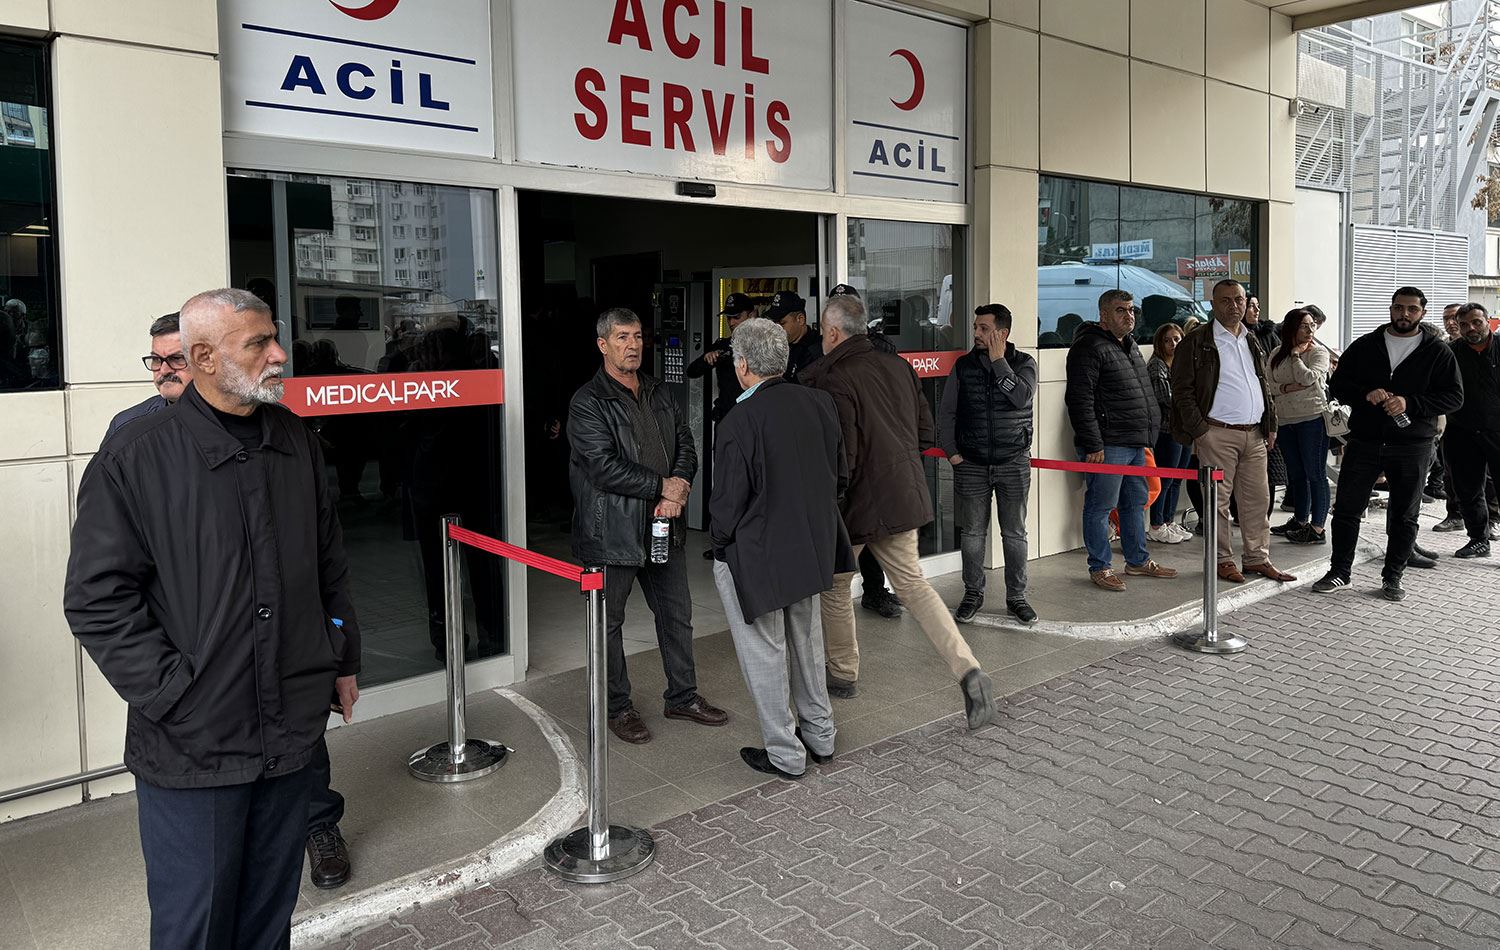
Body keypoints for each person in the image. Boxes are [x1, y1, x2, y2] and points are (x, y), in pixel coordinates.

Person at [64, 288, 362, 947]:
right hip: (193, 745)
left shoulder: (295, 439)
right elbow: (95, 597)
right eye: (259, 343)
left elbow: (327, 562)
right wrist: (175, 693)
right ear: (202, 358)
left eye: (274, 338)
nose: (279, 354)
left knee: (267, 919)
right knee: (195, 926)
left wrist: (340, 659)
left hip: (289, 729)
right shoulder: (136, 453)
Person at [804, 295, 996, 728]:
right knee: (913, 585)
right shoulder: (898, 366)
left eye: (822, 330)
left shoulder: (834, 377)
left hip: (855, 504)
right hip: (902, 493)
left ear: (832, 332)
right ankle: (968, 669)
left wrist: (827, 503)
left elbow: (844, 456)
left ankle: (843, 673)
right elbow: (925, 432)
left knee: (835, 586)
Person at [568, 308, 728, 744]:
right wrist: (663, 487)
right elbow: (602, 466)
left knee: (677, 615)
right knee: (608, 624)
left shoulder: (659, 391)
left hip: (662, 525)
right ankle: (617, 708)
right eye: (622, 337)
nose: (633, 345)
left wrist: (677, 489)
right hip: (612, 533)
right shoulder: (588, 401)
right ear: (603, 345)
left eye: (638, 336)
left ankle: (683, 697)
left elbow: (687, 443)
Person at [709, 318, 853, 779]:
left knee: (764, 650)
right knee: (807, 643)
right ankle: (821, 736)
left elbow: (727, 503)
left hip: (757, 553)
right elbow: (840, 475)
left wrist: (718, 545)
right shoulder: (820, 403)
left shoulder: (739, 420)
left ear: (742, 365)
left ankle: (785, 754)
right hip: (809, 545)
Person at [1312, 286, 1463, 601]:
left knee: (1405, 515)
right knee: (1347, 510)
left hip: (1413, 445)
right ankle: (1339, 571)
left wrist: (1411, 403)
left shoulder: (1438, 351)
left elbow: (1454, 397)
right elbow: (1338, 384)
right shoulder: (1366, 345)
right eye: (1399, 307)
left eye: (1412, 309)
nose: (1404, 314)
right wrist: (1365, 393)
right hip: (1365, 441)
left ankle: (1393, 576)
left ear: (1422, 312)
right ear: (1391, 308)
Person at [1170, 280, 1294, 585]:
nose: (1234, 306)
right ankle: (1221, 560)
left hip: (1255, 434)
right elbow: (1182, 391)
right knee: (1218, 504)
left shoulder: (1251, 339)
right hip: (1216, 434)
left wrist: (1271, 424)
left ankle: (1256, 558)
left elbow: (1263, 385)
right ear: (1213, 304)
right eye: (1226, 300)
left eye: (1239, 300)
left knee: (1257, 501)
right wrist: (1201, 432)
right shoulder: (1196, 342)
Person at [1065, 289, 1179, 591]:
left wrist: (1149, 434)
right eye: (1120, 310)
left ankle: (1137, 560)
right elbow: (1079, 399)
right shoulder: (1088, 346)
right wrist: (1093, 444)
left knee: (1134, 504)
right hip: (1108, 444)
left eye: (1131, 310)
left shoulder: (1130, 345)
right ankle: (1100, 567)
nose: (1129, 315)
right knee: (1100, 506)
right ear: (1103, 314)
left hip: (1135, 442)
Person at [938, 304, 1038, 625]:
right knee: (972, 534)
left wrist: (998, 362)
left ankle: (1016, 597)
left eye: (984, 328)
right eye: (975, 327)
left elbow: (1020, 397)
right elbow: (947, 412)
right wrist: (952, 452)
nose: (977, 333)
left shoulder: (1024, 363)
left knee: (1015, 534)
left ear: (1002, 333)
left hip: (1013, 462)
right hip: (971, 463)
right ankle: (972, 593)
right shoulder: (963, 366)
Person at [827, 282, 904, 620]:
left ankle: (874, 590)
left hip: (871, 453)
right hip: (833, 450)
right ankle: (828, 594)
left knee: (870, 529)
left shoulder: (881, 348)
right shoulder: (820, 348)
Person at [1267, 309, 1331, 545]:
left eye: (1312, 325)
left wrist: (1296, 356)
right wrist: (1286, 388)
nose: (1310, 330)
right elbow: (1269, 384)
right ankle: (1300, 520)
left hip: (1312, 419)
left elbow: (1307, 378)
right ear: (1291, 327)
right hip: (1285, 420)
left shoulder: (1318, 352)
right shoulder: (1276, 353)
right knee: (1296, 474)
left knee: (1316, 474)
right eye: (1304, 325)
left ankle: (1317, 528)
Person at [1443, 302, 1500, 559]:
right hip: (1462, 431)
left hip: (1497, 430)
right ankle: (1478, 539)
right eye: (1464, 324)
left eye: (1476, 322)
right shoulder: (1450, 353)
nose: (1471, 328)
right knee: (1467, 489)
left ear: (1488, 321)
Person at [1146, 323, 1192, 544]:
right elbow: (1166, 398)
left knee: (1177, 478)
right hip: (1167, 429)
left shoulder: (1182, 363)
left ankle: (1168, 520)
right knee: (1165, 479)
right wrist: (1191, 404)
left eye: (1177, 339)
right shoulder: (1157, 366)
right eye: (1167, 340)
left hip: (1184, 427)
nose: (1173, 344)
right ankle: (1156, 524)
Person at [107, 313, 189, 436]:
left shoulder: (220, 420)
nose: (164, 370)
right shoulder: (126, 427)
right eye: (156, 359)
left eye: (176, 359)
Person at [687, 292, 758, 424]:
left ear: (751, 315)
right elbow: (691, 371)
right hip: (726, 417)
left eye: (736, 317)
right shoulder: (722, 346)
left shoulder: (764, 345)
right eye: (728, 318)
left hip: (753, 418)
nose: (731, 322)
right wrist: (706, 359)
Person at [766, 290, 822, 381]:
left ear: (800, 319)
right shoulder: (776, 345)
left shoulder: (816, 351)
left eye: (782, 323)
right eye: (774, 323)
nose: (777, 328)